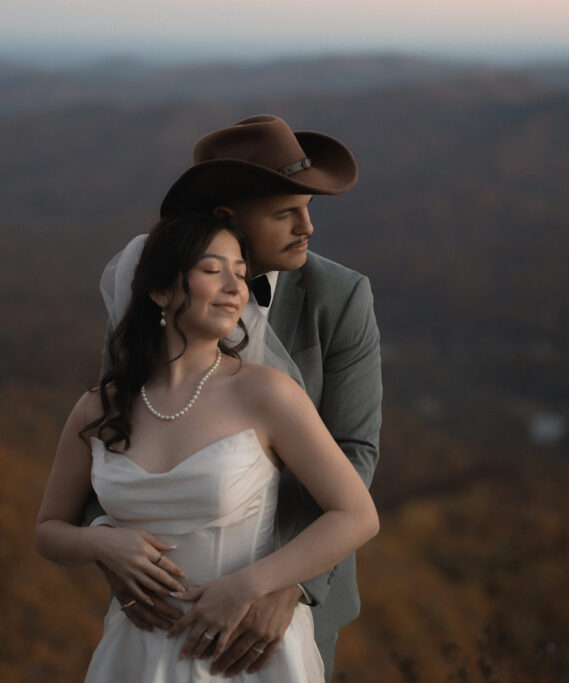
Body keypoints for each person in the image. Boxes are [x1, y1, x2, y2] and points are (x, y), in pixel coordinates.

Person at [92, 115, 383, 680]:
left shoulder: (341, 297)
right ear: (227, 218)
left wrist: (285, 583)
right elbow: (108, 430)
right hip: (159, 616)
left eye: (309, 209)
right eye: (285, 214)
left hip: (286, 611)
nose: (308, 227)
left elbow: (354, 453)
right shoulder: (152, 294)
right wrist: (108, 546)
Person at [35, 213, 379, 681]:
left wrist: (249, 586)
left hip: (246, 651)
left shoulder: (268, 395)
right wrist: (102, 542)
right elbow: (48, 530)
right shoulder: (99, 407)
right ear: (159, 290)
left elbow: (358, 515)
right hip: (135, 653)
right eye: (212, 270)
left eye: (240, 272)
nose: (235, 287)